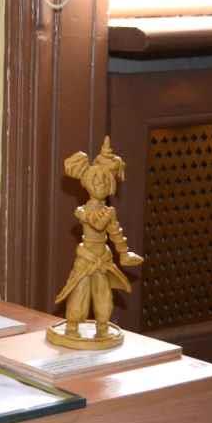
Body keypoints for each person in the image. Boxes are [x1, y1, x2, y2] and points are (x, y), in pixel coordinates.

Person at [56, 137, 143, 339]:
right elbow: (96, 224)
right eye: (95, 180)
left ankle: (102, 327)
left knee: (103, 295)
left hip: (103, 259)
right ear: (86, 182)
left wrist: (124, 253)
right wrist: (101, 217)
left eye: (105, 180)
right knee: (80, 292)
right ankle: (72, 326)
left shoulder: (107, 212)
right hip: (86, 258)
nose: (101, 184)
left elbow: (115, 232)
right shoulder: (83, 210)